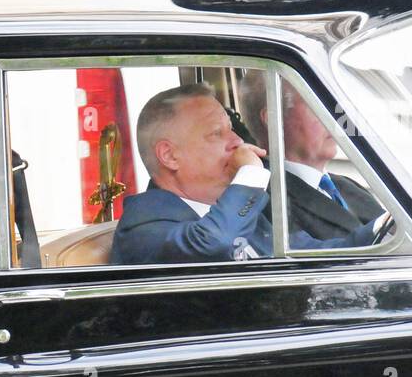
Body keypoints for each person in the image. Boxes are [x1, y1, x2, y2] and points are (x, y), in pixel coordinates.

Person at [110, 84, 388, 265]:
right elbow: (213, 246)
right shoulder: (144, 223)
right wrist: (251, 176)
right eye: (216, 134)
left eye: (231, 129)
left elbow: (319, 253)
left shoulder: (228, 211)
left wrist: (385, 226)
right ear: (170, 156)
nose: (236, 141)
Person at [238, 71, 384, 239]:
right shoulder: (265, 200)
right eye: (317, 106)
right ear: (274, 118)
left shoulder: (348, 185)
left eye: (331, 106)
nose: (332, 117)